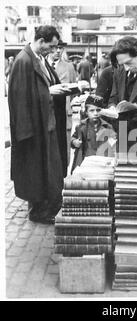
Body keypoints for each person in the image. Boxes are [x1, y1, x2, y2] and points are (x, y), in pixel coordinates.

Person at [8, 25, 70, 224]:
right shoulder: (23, 61)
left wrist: (60, 88)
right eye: (50, 46)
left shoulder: (39, 59)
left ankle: (48, 205)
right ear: (40, 41)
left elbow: (45, 84)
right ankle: (38, 211)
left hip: (46, 123)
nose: (52, 50)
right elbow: (19, 97)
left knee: (49, 167)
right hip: (34, 128)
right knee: (37, 170)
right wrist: (49, 93)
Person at [47, 39, 77, 164]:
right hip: (47, 112)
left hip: (64, 112)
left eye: (61, 48)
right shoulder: (42, 65)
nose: (58, 51)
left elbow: (75, 89)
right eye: (55, 48)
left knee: (63, 146)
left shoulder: (69, 66)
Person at [71, 95, 117, 172]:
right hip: (85, 162)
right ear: (86, 112)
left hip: (102, 162)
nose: (95, 113)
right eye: (91, 111)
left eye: (98, 110)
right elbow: (73, 138)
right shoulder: (81, 127)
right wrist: (74, 142)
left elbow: (114, 141)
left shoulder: (107, 127)